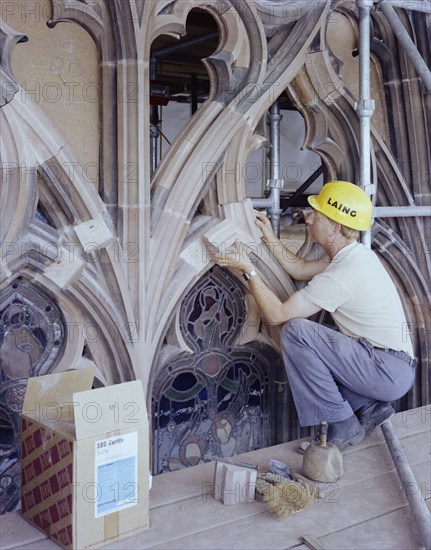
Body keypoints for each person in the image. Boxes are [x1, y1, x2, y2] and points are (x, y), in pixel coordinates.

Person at [205, 181, 416, 450]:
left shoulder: (342, 274)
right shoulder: (353, 257)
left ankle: (342, 424)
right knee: (319, 345)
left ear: (336, 228)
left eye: (318, 215)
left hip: (383, 370)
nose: (309, 218)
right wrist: (268, 234)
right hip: (389, 368)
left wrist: (248, 270)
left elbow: (277, 315)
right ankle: (367, 406)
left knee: (297, 331)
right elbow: (300, 268)